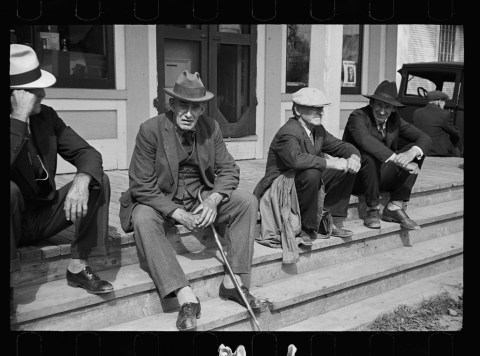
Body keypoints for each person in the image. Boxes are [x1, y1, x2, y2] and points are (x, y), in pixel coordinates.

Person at [119, 70, 262, 331]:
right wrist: (175, 212)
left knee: (247, 201)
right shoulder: (150, 130)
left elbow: (229, 169)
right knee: (142, 216)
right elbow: (141, 184)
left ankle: (234, 283)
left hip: (200, 197)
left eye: (196, 107)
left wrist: (214, 199)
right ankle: (185, 296)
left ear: (202, 109)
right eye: (183, 105)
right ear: (171, 105)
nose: (189, 113)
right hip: (160, 199)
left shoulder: (211, 128)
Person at [10, 44, 114, 298]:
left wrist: (81, 178)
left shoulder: (46, 117)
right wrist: (18, 119)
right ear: (16, 94)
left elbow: (88, 153)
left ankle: (78, 266)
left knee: (98, 180)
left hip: (42, 216)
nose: (43, 93)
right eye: (35, 90)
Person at [254, 87, 361, 245]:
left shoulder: (317, 130)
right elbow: (296, 160)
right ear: (297, 110)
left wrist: (354, 157)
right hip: (280, 186)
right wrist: (331, 163)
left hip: (301, 182)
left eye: (321, 108)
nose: (319, 112)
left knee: (345, 169)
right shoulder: (288, 132)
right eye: (313, 108)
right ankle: (306, 228)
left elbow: (342, 146)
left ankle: (333, 220)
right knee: (313, 172)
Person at [343, 80, 432, 230]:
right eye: (379, 105)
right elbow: (365, 141)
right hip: (357, 178)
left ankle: (394, 206)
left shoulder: (394, 119)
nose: (382, 111)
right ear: (371, 103)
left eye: (387, 107)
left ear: (393, 109)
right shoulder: (357, 116)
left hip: (381, 176)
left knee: (417, 151)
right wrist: (398, 160)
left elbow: (425, 138)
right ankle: (372, 210)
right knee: (368, 156)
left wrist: (411, 153)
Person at [413, 90, 461, 157]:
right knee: (457, 154)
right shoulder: (444, 114)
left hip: (420, 149)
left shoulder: (417, 112)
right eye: (444, 102)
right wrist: (454, 144)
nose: (444, 104)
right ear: (439, 102)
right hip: (437, 151)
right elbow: (454, 133)